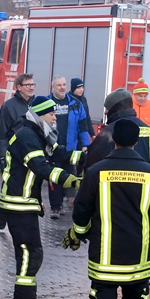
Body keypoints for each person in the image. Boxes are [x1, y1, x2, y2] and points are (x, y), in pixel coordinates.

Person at [63, 119, 150, 299]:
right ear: (136, 142)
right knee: (134, 294)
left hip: (104, 250)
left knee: (105, 293)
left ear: (114, 140)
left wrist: (79, 232)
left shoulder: (96, 171)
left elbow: (82, 208)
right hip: (138, 250)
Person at [1, 96, 81, 299]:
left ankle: (28, 298)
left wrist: (86, 157)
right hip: (18, 204)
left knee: (31, 252)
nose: (55, 118)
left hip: (25, 203)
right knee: (30, 252)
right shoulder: (27, 136)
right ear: (39, 115)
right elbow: (40, 166)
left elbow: (59, 153)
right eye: (51, 114)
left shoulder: (38, 133)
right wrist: (69, 180)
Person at [0, 73, 38, 229]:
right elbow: (1, 134)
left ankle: (29, 212)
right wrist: (2, 157)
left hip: (32, 153)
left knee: (32, 184)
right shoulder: (9, 106)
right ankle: (3, 212)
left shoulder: (37, 104)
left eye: (33, 84)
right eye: (28, 85)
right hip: (14, 155)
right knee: (10, 185)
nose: (31, 88)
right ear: (19, 87)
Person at [46, 75, 92, 218]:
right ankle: (55, 207)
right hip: (52, 148)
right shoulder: (46, 103)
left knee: (68, 176)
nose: (62, 88)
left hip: (69, 149)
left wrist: (85, 144)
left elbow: (83, 125)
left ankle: (68, 201)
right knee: (54, 177)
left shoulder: (75, 103)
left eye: (64, 85)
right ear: (53, 87)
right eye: (59, 85)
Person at [86, 88, 150, 168]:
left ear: (115, 108)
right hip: (145, 174)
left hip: (115, 175)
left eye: (107, 108)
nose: (105, 112)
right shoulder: (149, 130)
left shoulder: (109, 131)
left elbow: (91, 163)